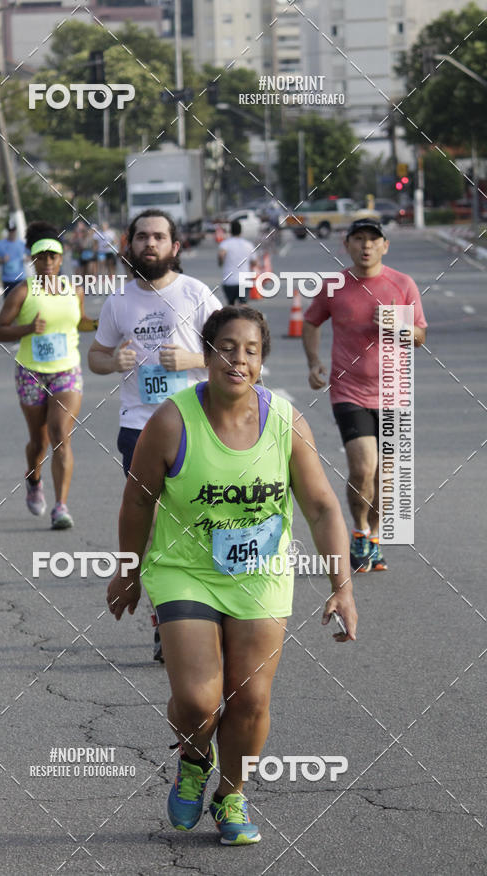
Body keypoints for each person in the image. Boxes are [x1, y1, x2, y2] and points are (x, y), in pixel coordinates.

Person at [106, 305, 357, 845]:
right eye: (227, 347)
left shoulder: (287, 423)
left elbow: (321, 508)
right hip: (185, 571)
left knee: (250, 699)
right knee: (199, 700)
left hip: (260, 574)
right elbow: (138, 499)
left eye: (251, 350)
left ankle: (231, 794)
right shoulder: (172, 420)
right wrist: (126, 570)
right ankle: (195, 757)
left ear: (262, 362)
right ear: (209, 354)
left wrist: (342, 586)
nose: (237, 358)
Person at [88, 208, 222, 660]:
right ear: (130, 245)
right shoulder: (118, 302)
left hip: (194, 426)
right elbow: (96, 356)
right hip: (138, 428)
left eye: (159, 237)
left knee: (194, 524)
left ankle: (204, 611)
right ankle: (165, 621)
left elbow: (234, 354)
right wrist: (114, 363)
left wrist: (192, 361)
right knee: (148, 531)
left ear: (175, 247)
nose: (150, 243)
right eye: (142, 236)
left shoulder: (196, 294)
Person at [302, 218, 427, 573]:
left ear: (385, 245)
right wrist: (314, 362)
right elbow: (311, 322)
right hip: (349, 390)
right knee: (363, 468)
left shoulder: (402, 284)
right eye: (358, 239)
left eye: (373, 239)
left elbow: (419, 337)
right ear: (347, 245)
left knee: (385, 480)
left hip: (393, 391)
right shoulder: (335, 285)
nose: (366, 246)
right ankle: (359, 532)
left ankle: (372, 537)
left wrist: (398, 327)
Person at [0, 220, 90, 529]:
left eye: (53, 256)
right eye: (41, 257)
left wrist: (107, 326)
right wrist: (27, 329)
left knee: (61, 434)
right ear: (33, 260)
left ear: (61, 259)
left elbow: (82, 323)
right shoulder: (23, 292)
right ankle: (34, 479)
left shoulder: (74, 291)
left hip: (66, 371)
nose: (47, 262)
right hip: (31, 373)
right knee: (39, 441)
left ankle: (61, 507)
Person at [217, 220, 257, 305]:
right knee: (243, 304)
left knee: (231, 306)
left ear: (230, 231)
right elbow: (254, 262)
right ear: (241, 231)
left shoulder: (225, 244)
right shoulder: (248, 245)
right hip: (244, 280)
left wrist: (221, 262)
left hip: (229, 280)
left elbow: (221, 255)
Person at [0, 219, 28, 297]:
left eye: (13, 230)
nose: (12, 233)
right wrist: (2, 260)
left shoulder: (22, 244)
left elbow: (31, 256)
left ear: (16, 230)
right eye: (10, 230)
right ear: (7, 231)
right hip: (7, 280)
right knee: (9, 303)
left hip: (20, 279)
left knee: (22, 302)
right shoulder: (0, 244)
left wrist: (26, 259)